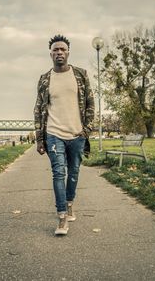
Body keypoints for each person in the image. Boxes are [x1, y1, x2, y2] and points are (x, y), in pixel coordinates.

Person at [34, 35, 95, 235]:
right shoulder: (44, 79)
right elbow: (38, 109)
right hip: (53, 134)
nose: (59, 52)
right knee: (58, 173)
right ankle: (62, 217)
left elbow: (90, 105)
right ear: (50, 53)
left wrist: (86, 130)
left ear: (68, 52)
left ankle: (69, 203)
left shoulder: (81, 74)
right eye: (55, 50)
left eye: (62, 49)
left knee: (74, 172)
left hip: (77, 135)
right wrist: (40, 138)